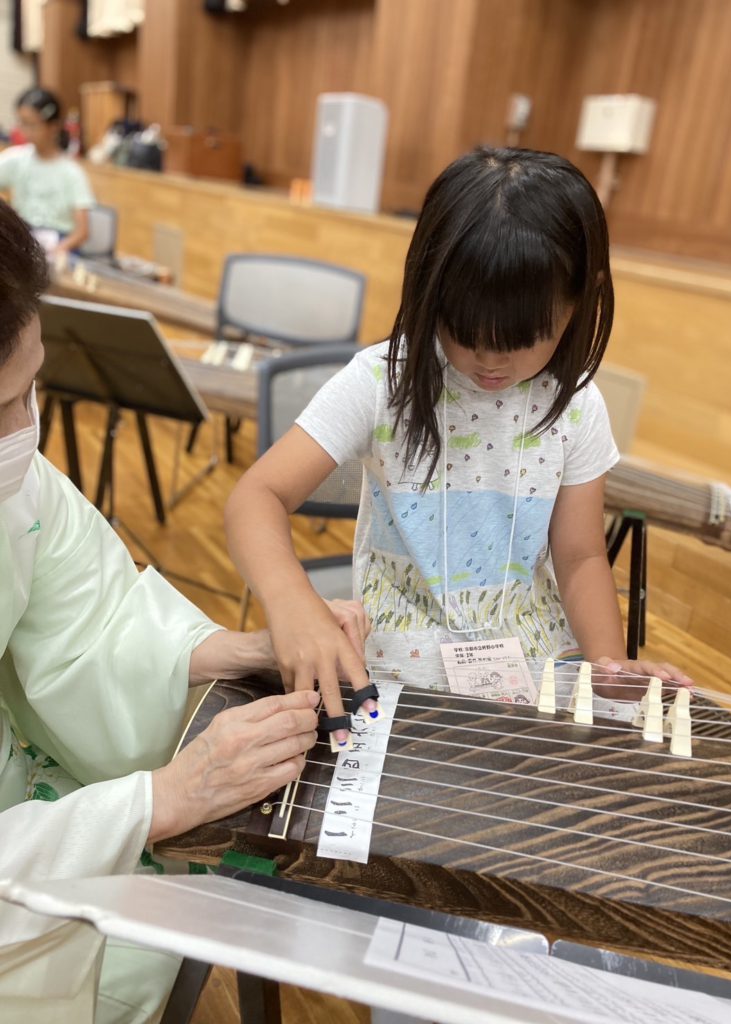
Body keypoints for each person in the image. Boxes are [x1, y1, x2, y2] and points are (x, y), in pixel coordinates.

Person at [0, 201, 369, 1022]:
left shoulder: (13, 480)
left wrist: (239, 649)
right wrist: (159, 800)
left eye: (33, 390)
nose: (27, 429)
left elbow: (93, 617)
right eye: (4, 407)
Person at [225, 146, 693, 744]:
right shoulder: (381, 382)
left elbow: (578, 556)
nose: (490, 360)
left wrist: (608, 669)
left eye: (526, 336)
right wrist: (294, 604)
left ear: (581, 301)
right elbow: (255, 497)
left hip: (531, 651)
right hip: (400, 652)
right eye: (466, 331)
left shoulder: (577, 406)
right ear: (429, 288)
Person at [0, 87, 94, 254]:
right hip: (25, 239)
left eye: (31, 124)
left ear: (53, 126)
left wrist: (59, 249)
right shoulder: (16, 159)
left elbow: (82, 232)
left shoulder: (72, 172)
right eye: (21, 122)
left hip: (59, 244)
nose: (24, 130)